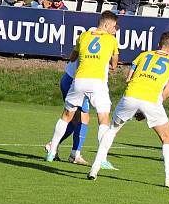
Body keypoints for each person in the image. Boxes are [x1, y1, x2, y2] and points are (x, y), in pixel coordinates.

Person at [88, 32, 169, 187]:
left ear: (159, 44)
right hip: (151, 100)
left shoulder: (144, 55)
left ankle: (95, 168)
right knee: (167, 138)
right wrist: (147, 110)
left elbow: (129, 78)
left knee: (112, 130)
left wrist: (137, 108)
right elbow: (166, 91)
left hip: (131, 95)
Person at [44, 11, 120, 164]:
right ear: (106, 25)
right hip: (88, 80)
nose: (115, 30)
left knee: (70, 116)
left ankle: (56, 151)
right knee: (95, 118)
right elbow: (114, 64)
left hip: (76, 80)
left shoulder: (84, 35)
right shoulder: (109, 40)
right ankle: (96, 158)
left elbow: (72, 57)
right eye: (114, 27)